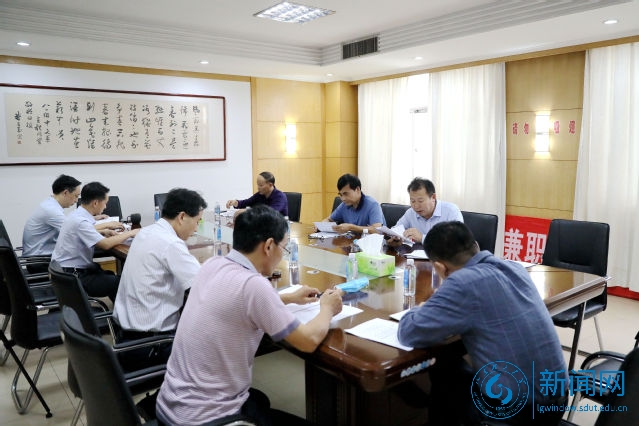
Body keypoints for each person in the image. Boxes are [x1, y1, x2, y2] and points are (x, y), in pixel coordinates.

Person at [156, 205, 343, 426]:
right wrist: (327, 308)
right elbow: (308, 340)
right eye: (283, 248)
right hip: (204, 419)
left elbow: (235, 302)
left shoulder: (213, 264)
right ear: (269, 246)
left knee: (259, 400)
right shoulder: (254, 285)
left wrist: (287, 298)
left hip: (170, 406)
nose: (281, 255)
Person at [397, 221, 567, 426]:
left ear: (440, 267)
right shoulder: (514, 267)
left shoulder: (462, 282)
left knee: (443, 374)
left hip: (519, 412)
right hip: (557, 399)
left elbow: (409, 332)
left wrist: (421, 308)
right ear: (476, 246)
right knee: (452, 366)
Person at [112, 188, 207, 367]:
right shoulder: (171, 243)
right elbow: (205, 288)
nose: (196, 228)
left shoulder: (146, 232)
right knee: (216, 342)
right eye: (197, 221)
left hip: (127, 338)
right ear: (182, 217)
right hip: (153, 345)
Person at [51, 182, 139, 302]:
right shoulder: (81, 221)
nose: (105, 207)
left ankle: (119, 309)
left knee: (110, 276)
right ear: (95, 203)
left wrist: (103, 232)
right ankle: (122, 312)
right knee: (121, 282)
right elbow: (105, 244)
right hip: (73, 276)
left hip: (64, 271)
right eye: (105, 203)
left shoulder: (76, 215)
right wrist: (131, 233)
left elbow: (84, 232)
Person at [21, 175, 116, 271]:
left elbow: (74, 226)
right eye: (76, 196)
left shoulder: (49, 204)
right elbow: (74, 228)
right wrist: (107, 225)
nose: (76, 200)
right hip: (40, 261)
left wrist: (93, 218)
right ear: (65, 193)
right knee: (89, 248)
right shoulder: (51, 211)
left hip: (42, 256)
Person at [388, 177, 462, 246]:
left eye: (420, 201)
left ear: (433, 197)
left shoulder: (451, 211)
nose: (416, 206)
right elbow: (396, 230)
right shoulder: (411, 212)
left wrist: (422, 238)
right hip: (415, 255)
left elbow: (457, 241)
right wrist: (395, 238)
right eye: (413, 201)